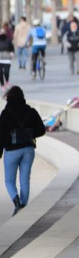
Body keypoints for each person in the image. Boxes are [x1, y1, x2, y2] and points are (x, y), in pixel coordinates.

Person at [0, 86, 45, 216]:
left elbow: (1, 135)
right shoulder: (31, 111)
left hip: (12, 151)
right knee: (25, 178)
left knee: (9, 180)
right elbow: (41, 130)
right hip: (28, 150)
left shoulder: (6, 113)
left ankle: (16, 201)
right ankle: (23, 204)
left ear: (8, 98)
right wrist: (29, 134)